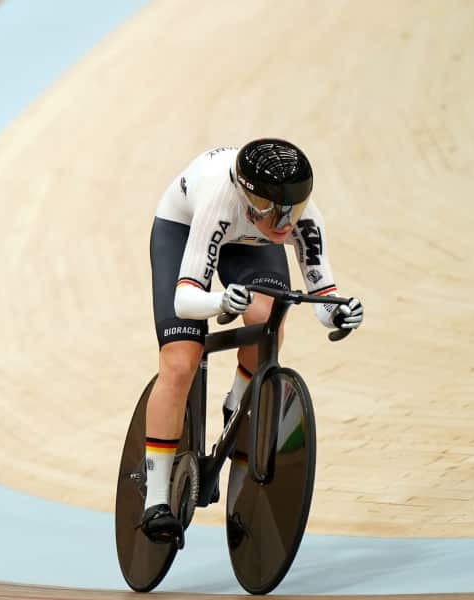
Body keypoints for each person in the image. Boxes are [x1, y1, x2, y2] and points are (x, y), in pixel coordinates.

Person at [140, 138, 364, 543]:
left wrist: (340, 312)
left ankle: (238, 403)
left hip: (248, 242)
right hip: (185, 229)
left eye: (292, 212)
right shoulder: (219, 201)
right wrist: (219, 301)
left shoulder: (299, 217)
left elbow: (321, 293)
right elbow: (185, 300)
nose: (283, 224)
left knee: (267, 319)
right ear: (247, 197)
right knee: (180, 362)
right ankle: (155, 502)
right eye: (271, 210)